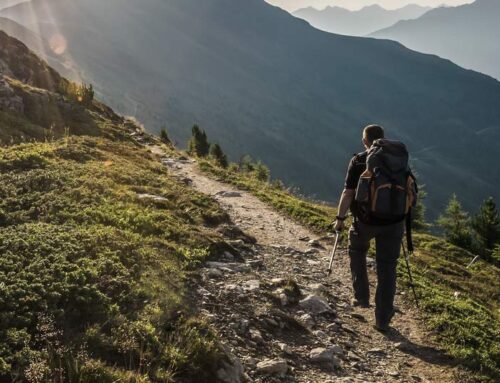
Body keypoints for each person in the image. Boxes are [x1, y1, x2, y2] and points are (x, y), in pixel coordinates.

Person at [333, 124, 405, 332]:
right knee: (388, 267)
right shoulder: (397, 161)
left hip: (365, 221)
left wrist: (340, 218)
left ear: (365, 141)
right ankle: (383, 319)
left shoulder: (358, 161)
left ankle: (362, 297)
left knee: (357, 250)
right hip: (394, 223)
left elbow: (348, 193)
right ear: (383, 139)